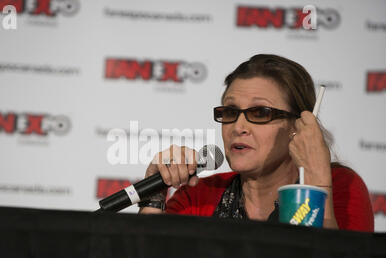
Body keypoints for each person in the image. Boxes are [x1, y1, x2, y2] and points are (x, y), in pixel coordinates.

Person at [138, 54, 374, 232]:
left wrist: (316, 179)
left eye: (260, 112)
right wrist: (154, 197)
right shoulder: (199, 195)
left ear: (298, 126)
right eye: (230, 111)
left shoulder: (341, 185)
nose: (238, 127)